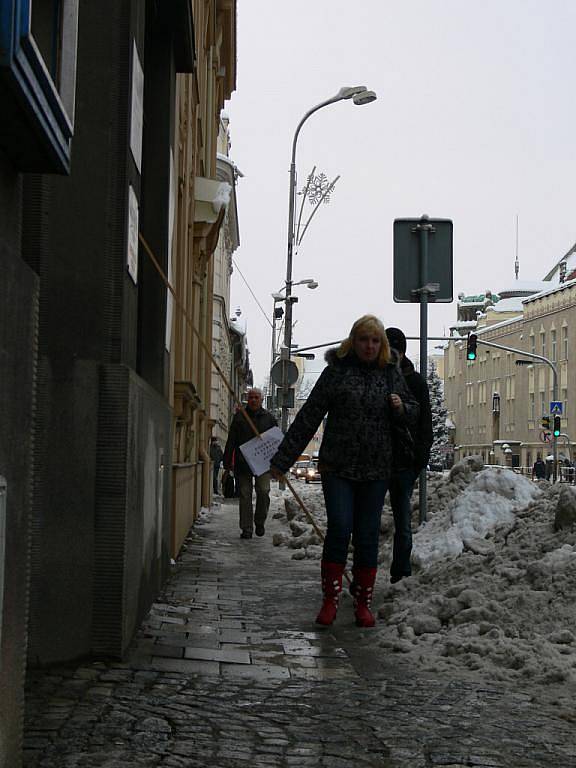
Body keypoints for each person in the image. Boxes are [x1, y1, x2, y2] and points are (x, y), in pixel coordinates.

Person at [270, 315, 419, 628]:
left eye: (375, 341)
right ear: (354, 341)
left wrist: (400, 407)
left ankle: (363, 603)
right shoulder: (336, 372)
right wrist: (283, 460)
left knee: (367, 535)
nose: (369, 346)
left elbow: (413, 411)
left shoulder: (390, 374)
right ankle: (330, 600)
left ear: (382, 345)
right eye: (364, 340)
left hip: (377, 468)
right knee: (339, 527)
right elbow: (309, 416)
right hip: (338, 466)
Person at [385, 327, 433, 585]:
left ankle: (401, 570)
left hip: (404, 461)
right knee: (367, 518)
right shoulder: (378, 378)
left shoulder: (415, 382)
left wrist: (419, 458)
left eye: (396, 350)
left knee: (403, 519)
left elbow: (426, 422)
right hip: (378, 460)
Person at [223, 388, 277, 539]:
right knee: (245, 495)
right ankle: (246, 528)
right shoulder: (240, 417)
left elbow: (275, 442)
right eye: (251, 397)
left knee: (263, 491)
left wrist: (277, 463)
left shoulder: (269, 418)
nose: (253, 400)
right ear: (248, 399)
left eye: (256, 397)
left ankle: (260, 521)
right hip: (243, 463)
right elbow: (231, 441)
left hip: (262, 464)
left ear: (261, 400)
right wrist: (227, 462)